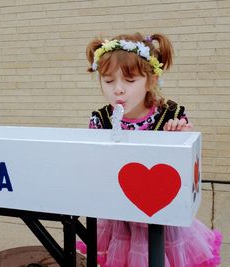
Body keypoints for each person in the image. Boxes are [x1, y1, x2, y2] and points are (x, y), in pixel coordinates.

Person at [76, 33, 222, 267]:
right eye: (108, 80)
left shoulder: (169, 115)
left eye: (130, 81)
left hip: (162, 218)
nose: (118, 90)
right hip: (119, 219)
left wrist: (179, 138)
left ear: (151, 80)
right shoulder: (101, 119)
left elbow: (188, 168)